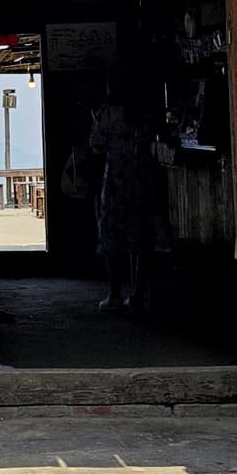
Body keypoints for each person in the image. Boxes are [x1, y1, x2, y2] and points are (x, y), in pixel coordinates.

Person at [87, 70, 153, 310]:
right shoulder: (142, 113)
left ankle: (114, 293)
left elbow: (95, 145)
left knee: (110, 235)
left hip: (115, 179)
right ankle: (137, 294)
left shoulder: (106, 113)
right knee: (138, 238)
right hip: (140, 179)